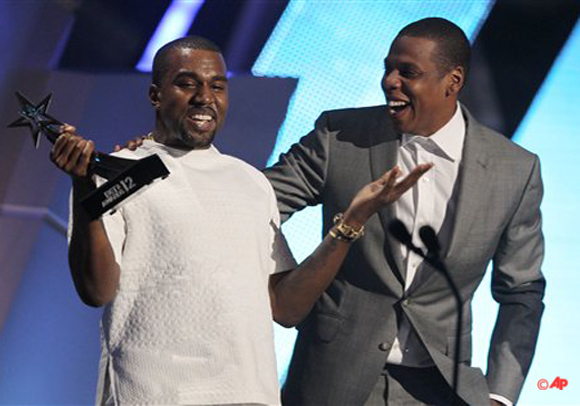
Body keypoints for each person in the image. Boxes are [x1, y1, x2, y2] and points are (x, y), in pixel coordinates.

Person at [50, 36, 431, 405]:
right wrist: (84, 187)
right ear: (155, 95)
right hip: (155, 393)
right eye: (187, 84)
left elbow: (285, 307)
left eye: (217, 86)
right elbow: (96, 291)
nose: (204, 97)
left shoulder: (251, 183)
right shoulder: (115, 174)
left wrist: (350, 222)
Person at [264, 18, 545, 406]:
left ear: (454, 81)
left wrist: (499, 395)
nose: (390, 81)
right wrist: (287, 284)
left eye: (407, 72)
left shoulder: (514, 169)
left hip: (437, 389)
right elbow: (256, 203)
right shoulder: (340, 136)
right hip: (329, 378)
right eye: (388, 69)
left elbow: (522, 292)